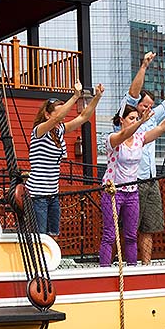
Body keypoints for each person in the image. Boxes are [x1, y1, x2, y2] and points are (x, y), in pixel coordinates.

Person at [102, 97, 165, 266]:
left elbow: (162, 127)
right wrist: (141, 122)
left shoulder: (139, 139)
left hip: (132, 192)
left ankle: (132, 268)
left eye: (136, 118)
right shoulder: (113, 138)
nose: (135, 122)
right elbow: (124, 134)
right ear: (121, 120)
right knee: (109, 234)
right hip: (113, 191)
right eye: (131, 118)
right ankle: (104, 269)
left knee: (130, 234)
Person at [116, 52, 165, 264]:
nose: (149, 109)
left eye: (150, 106)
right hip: (131, 182)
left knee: (149, 226)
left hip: (151, 180)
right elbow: (133, 93)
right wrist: (144, 66)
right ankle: (124, 263)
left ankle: (146, 264)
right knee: (127, 227)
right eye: (145, 105)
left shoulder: (152, 121)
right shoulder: (126, 121)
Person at [28, 82, 103, 234]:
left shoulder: (59, 130)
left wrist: (97, 98)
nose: (62, 115)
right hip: (38, 194)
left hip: (52, 192)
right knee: (40, 236)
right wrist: (76, 96)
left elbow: (83, 116)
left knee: (54, 233)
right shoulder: (40, 131)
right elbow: (56, 119)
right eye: (58, 112)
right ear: (47, 115)